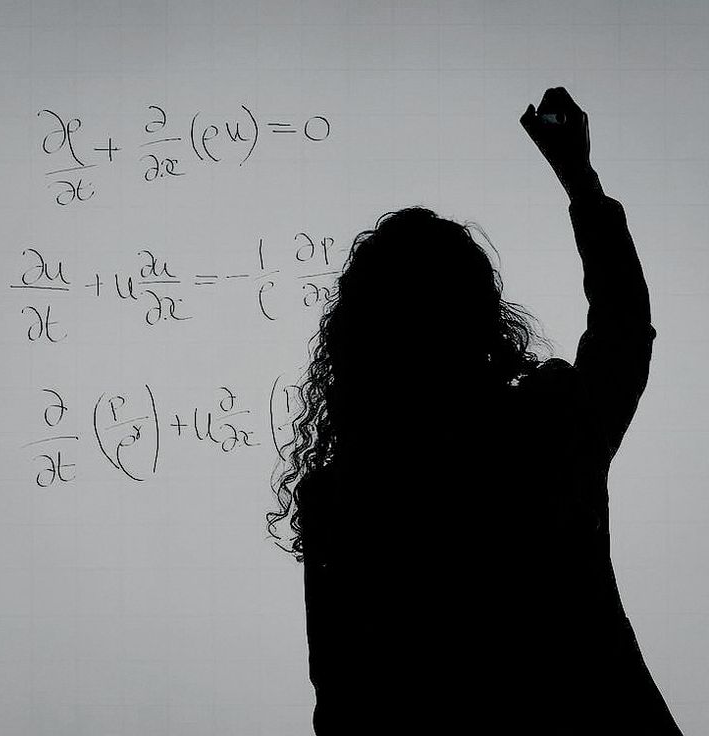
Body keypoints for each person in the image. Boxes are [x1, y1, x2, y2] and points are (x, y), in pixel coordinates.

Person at [266, 87, 685, 735]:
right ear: (484, 321)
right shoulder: (548, 430)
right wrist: (579, 178)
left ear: (358, 341)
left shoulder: (342, 499)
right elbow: (624, 329)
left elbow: (344, 697)